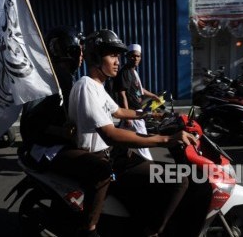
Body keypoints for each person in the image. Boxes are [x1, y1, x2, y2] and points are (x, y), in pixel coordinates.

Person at [68, 29, 197, 237]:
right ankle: (152, 232)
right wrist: (166, 140)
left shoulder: (98, 87)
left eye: (118, 56)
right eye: (112, 56)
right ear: (94, 57)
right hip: (101, 159)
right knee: (179, 179)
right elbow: (111, 134)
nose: (117, 61)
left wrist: (150, 115)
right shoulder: (86, 86)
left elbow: (118, 111)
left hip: (114, 155)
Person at [19, 26, 110, 237]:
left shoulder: (67, 78)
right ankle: (89, 230)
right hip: (45, 148)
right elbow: (33, 124)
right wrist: (61, 131)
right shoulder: (53, 78)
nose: (81, 55)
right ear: (66, 50)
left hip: (59, 144)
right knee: (101, 170)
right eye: (78, 50)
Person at [115, 43, 161, 160]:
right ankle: (149, 164)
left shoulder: (133, 72)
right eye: (133, 56)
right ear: (127, 57)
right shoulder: (125, 72)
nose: (136, 58)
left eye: (138, 56)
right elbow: (122, 94)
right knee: (143, 140)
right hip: (133, 112)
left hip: (135, 111)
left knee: (118, 139)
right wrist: (127, 116)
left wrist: (153, 96)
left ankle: (113, 158)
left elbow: (140, 89)